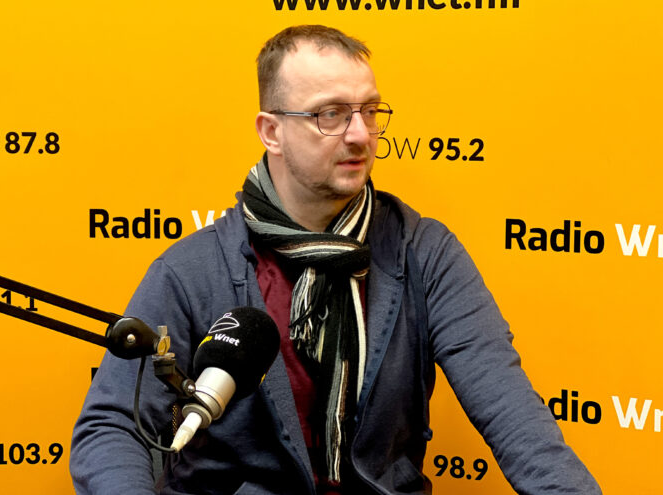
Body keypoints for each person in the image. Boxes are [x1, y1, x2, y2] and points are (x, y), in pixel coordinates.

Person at [70, 25, 601, 495]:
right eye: (331, 114)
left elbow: (513, 414)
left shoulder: (425, 253)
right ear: (271, 131)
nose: (360, 134)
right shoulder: (192, 269)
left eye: (370, 111)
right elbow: (111, 428)